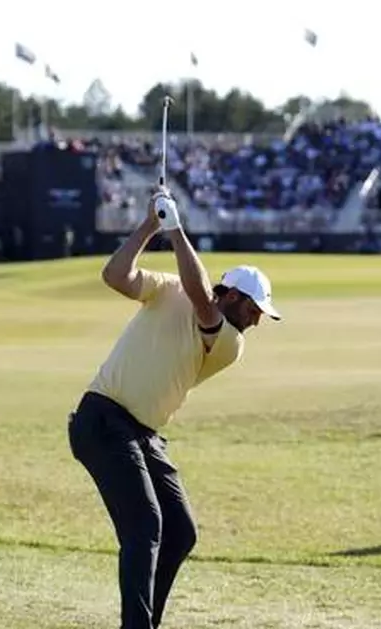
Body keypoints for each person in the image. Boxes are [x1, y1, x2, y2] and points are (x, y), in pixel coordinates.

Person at [67, 187, 281, 629]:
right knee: (145, 526)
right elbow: (115, 275)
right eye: (257, 308)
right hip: (102, 419)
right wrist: (150, 224)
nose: (260, 319)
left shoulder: (229, 342)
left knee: (179, 532)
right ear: (235, 296)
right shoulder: (168, 289)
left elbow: (202, 301)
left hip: (142, 433)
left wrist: (176, 230)